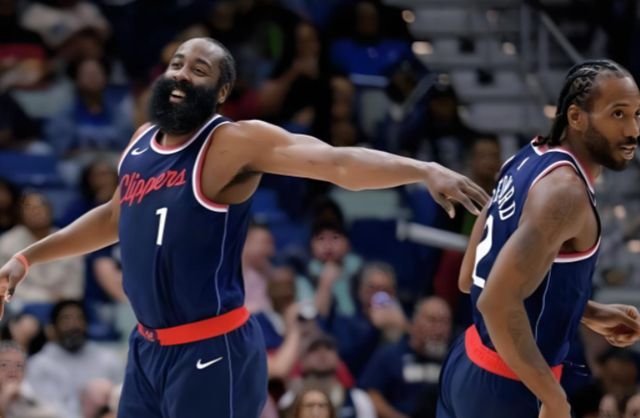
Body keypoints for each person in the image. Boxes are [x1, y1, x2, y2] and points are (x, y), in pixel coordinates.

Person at [0, 37, 488, 418]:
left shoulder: (232, 143)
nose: (181, 74)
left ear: (221, 92)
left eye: (199, 69)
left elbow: (338, 163)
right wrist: (27, 257)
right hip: (147, 349)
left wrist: (423, 169)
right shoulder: (142, 141)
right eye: (177, 63)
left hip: (211, 349)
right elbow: (114, 216)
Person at [437, 59, 640, 418]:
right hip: (510, 387)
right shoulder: (566, 194)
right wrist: (554, 398)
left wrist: (585, 310)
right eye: (618, 114)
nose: (633, 131)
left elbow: (473, 277)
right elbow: (496, 302)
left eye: (637, 115)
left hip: (467, 363)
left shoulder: (527, 156)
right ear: (576, 117)